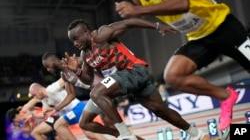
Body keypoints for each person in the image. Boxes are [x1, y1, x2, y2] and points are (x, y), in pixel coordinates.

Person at [114, 0, 250, 131]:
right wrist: (128, 11)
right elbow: (139, 11)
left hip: (223, 26)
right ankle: (225, 96)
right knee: (173, 76)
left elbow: (182, 3)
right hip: (198, 38)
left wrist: (136, 9)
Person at [62, 17, 208, 140]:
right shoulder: (84, 55)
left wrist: (157, 26)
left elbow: (129, 22)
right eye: (71, 41)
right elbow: (88, 79)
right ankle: (198, 134)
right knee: (161, 111)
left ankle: (126, 135)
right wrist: (77, 71)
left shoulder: (101, 34)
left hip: (134, 71)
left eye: (76, 38)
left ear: (86, 32)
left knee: (96, 93)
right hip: (125, 81)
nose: (75, 43)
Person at [42, 51, 144, 140]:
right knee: (102, 126)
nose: (47, 70)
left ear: (53, 61)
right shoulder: (64, 75)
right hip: (98, 96)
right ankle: (118, 133)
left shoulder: (75, 61)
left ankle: (117, 133)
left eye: (47, 66)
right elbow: (71, 95)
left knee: (85, 123)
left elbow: (96, 64)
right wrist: (55, 108)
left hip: (105, 90)